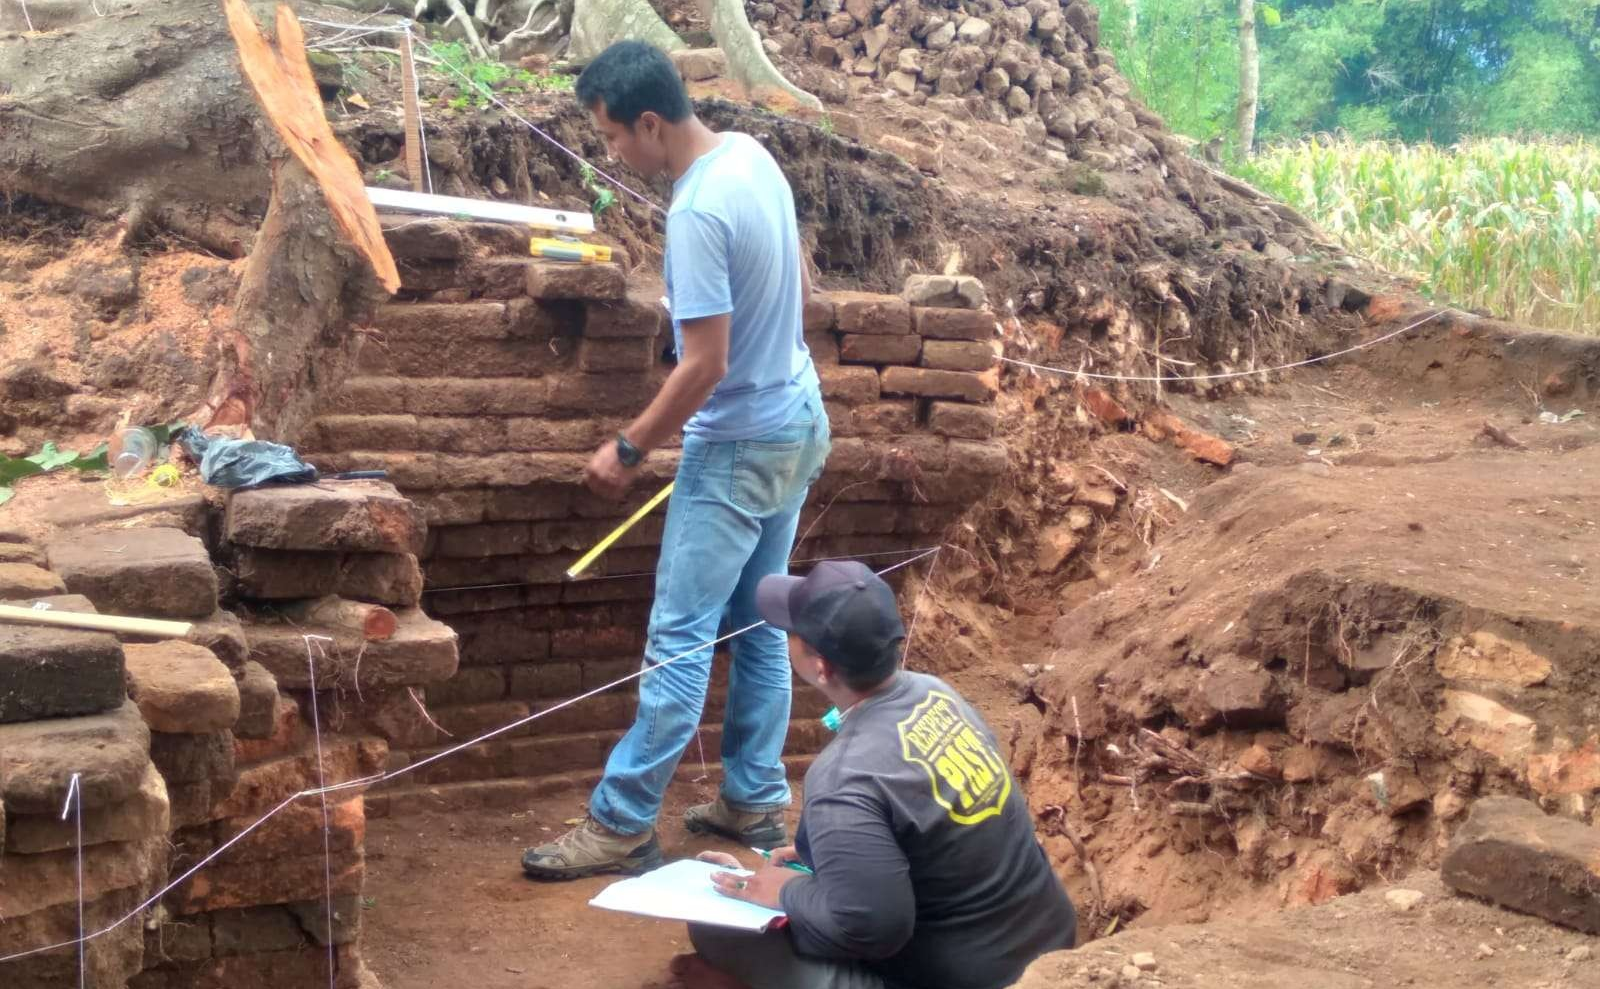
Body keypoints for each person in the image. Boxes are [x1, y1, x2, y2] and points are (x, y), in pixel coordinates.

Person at [521, 40, 830, 880]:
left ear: (650, 123)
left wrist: (629, 447)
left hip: (738, 445)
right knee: (763, 619)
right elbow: (796, 287)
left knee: (680, 639)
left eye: (614, 138)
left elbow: (703, 364)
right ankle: (755, 797)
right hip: (799, 417)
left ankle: (621, 822)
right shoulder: (751, 154)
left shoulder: (695, 211)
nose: (613, 153)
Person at [679, 560, 1078, 989]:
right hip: (1049, 937)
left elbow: (871, 930)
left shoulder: (843, 776)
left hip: (974, 978)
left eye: (791, 631)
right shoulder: (937, 693)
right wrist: (829, 854)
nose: (787, 639)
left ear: (822, 667)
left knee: (713, 928)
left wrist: (783, 891)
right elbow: (925, 822)